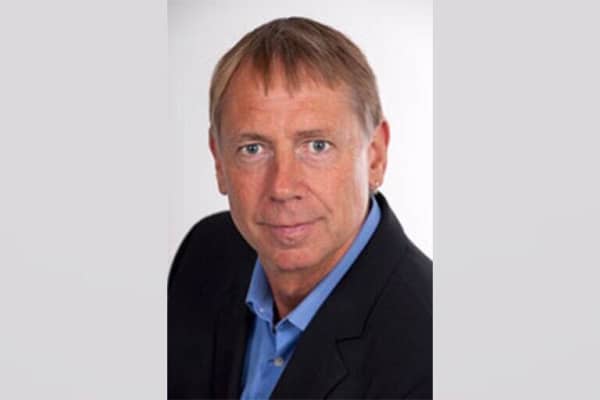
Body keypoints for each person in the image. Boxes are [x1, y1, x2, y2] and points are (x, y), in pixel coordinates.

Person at [168, 17, 432, 399]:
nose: (283, 187)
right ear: (219, 162)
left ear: (375, 155)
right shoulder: (205, 253)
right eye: (253, 149)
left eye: (317, 146)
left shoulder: (430, 355)